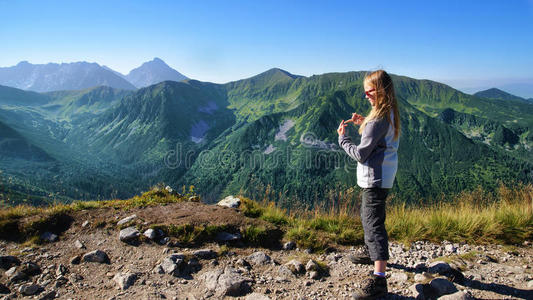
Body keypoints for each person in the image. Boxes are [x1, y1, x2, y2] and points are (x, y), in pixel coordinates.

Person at [337, 69, 400, 299]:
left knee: (374, 224)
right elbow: (379, 135)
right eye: (365, 92)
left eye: (370, 91)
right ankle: (370, 250)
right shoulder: (388, 114)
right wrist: (364, 122)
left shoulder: (378, 119)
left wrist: (343, 139)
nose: (366, 96)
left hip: (375, 178)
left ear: (381, 90)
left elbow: (361, 154)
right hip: (384, 176)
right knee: (369, 218)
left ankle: (379, 280)